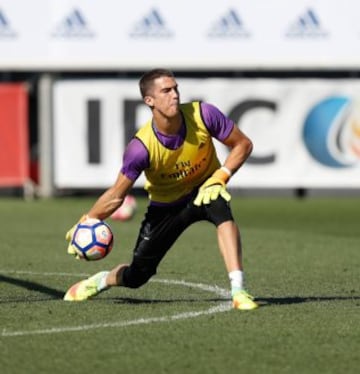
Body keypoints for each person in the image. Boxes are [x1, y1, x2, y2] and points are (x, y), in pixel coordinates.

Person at [64, 68, 258, 310]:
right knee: (137, 277)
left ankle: (238, 290)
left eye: (175, 88)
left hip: (205, 187)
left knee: (222, 212)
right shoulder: (140, 148)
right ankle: (102, 280)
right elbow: (116, 195)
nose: (174, 95)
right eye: (166, 90)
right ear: (149, 101)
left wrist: (220, 176)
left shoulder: (203, 114)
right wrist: (88, 219)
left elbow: (243, 144)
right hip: (166, 207)